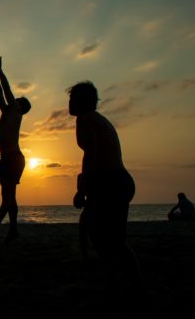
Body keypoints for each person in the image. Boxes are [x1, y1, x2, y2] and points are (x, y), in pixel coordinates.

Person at [69, 81, 143, 292]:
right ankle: (129, 284)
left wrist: (82, 190)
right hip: (118, 181)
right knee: (111, 239)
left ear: (82, 101)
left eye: (72, 99)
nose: (69, 103)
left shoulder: (85, 119)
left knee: (105, 238)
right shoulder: (98, 119)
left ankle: (122, 283)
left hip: (111, 183)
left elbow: (91, 154)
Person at [0, 57, 31, 242]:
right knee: (10, 197)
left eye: (17, 100)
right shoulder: (7, 111)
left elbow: (7, 90)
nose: (14, 100)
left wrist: (1, 72)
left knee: (8, 195)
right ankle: (14, 230)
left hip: (14, 159)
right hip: (5, 159)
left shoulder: (16, 112)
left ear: (21, 106)